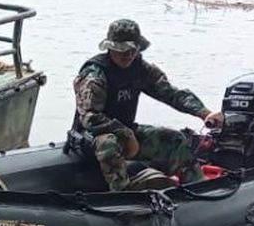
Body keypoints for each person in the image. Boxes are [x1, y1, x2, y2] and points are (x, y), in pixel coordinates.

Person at [72, 19, 222, 191]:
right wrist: (125, 133)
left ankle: (196, 186)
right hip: (92, 137)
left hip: (128, 132)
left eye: (133, 50)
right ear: (110, 48)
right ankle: (123, 194)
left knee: (174, 139)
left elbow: (170, 93)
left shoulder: (139, 69)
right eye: (123, 50)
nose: (128, 55)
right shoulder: (95, 75)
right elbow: (89, 118)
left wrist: (204, 113)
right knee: (109, 143)